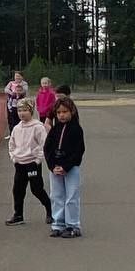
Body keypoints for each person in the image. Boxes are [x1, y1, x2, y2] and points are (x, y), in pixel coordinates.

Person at [5, 99, 52, 226]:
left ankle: (50, 210)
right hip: (19, 163)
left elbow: (44, 144)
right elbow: (12, 144)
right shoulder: (17, 128)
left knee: (36, 189)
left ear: (31, 111)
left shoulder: (38, 127)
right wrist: (14, 157)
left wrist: (37, 160)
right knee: (18, 190)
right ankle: (18, 215)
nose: (22, 113)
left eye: (25, 110)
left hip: (32, 163)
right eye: (19, 110)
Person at [44, 95, 85, 238]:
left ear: (71, 112)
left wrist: (66, 166)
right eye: (59, 112)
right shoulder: (54, 130)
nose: (61, 115)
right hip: (55, 169)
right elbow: (47, 149)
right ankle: (58, 224)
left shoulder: (76, 130)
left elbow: (79, 151)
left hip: (71, 168)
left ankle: (73, 225)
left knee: (71, 197)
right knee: (56, 196)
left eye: (65, 112)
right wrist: (52, 166)